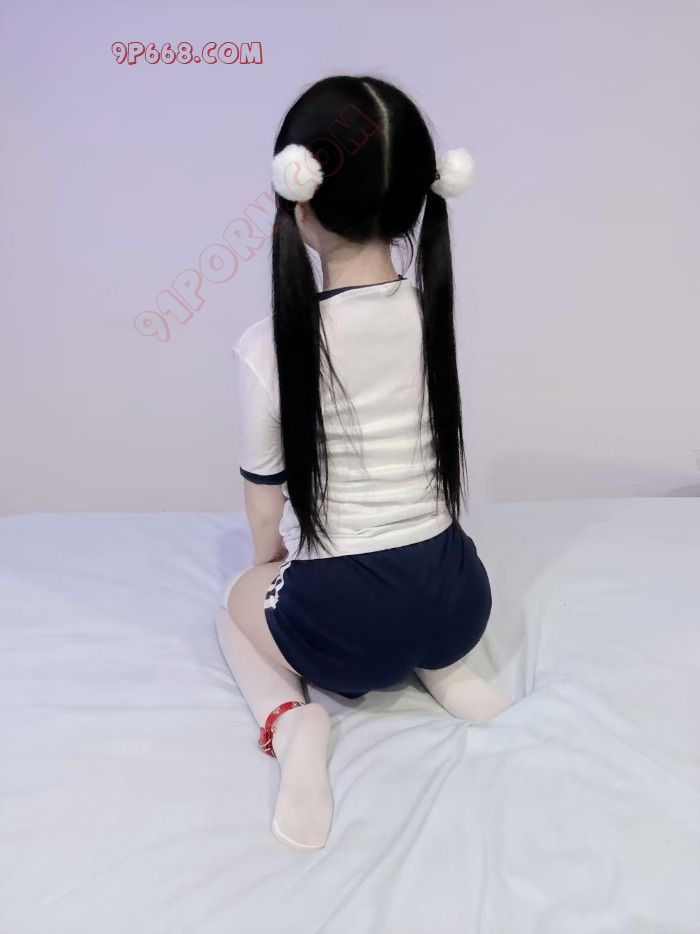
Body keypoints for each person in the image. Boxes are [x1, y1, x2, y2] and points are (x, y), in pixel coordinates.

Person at [214, 74, 513, 853]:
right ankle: (447, 670)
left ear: (300, 202)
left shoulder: (270, 346)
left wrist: (266, 563)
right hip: (460, 599)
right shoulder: (430, 313)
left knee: (230, 605)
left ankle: (292, 724)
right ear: (416, 199)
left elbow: (263, 503)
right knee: (415, 612)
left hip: (343, 626)